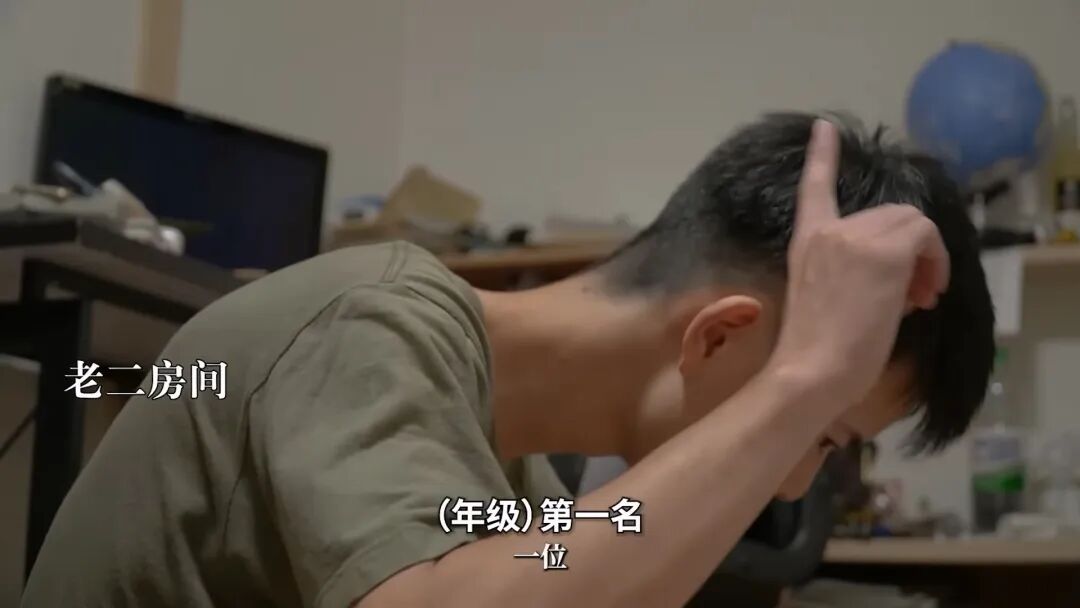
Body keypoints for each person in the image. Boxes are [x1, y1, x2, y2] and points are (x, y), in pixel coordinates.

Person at [21, 113, 994, 607]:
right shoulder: (366, 323)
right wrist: (801, 381)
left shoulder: (510, 488)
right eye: (823, 435)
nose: (792, 477)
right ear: (718, 334)